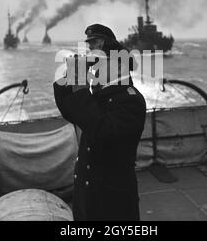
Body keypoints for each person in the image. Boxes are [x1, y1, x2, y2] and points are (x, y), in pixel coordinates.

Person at [53, 23, 146, 221]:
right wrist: (68, 80)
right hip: (88, 198)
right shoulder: (100, 97)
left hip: (112, 203)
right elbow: (72, 113)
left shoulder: (130, 101)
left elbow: (102, 130)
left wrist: (80, 87)